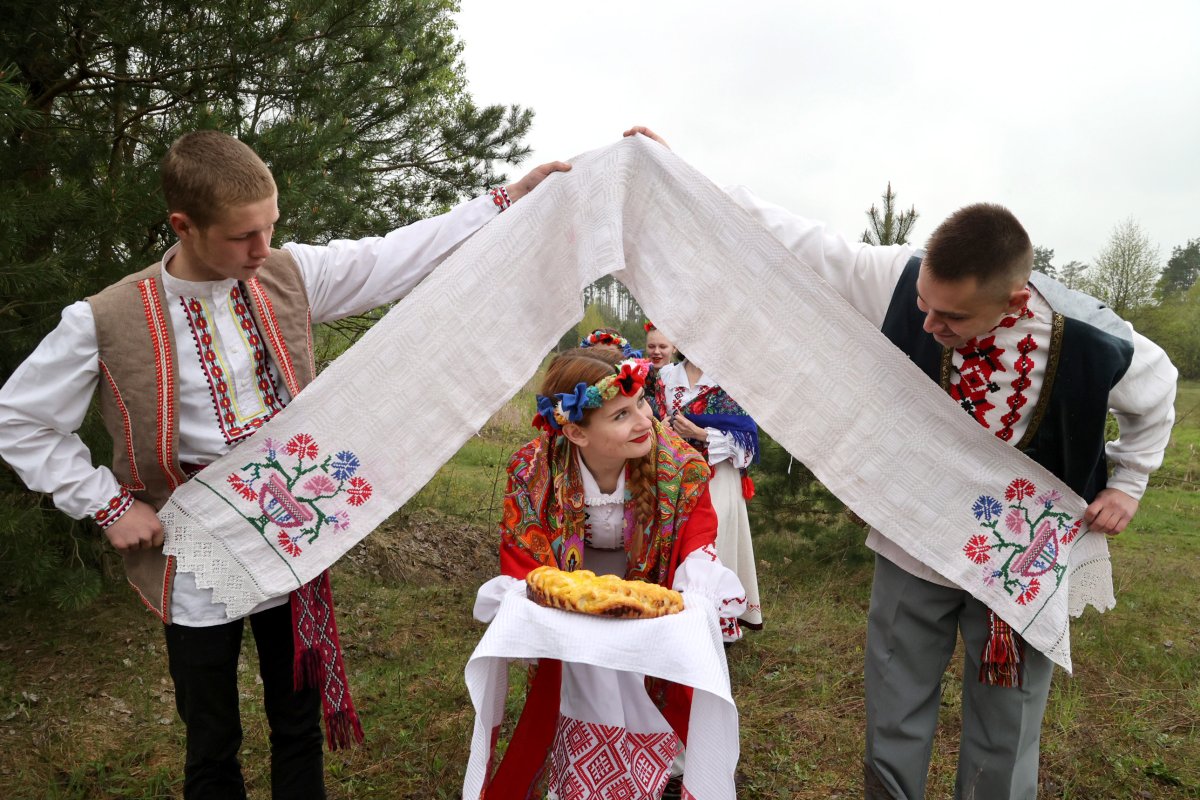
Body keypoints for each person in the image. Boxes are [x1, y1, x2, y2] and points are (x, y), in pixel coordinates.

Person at [0, 129, 569, 799]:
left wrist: (504, 202)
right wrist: (110, 505)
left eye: (271, 227)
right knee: (211, 739)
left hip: (295, 542)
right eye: (245, 235)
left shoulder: (285, 273)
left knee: (296, 724)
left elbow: (394, 256)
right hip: (193, 553)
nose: (263, 249)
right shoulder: (104, 318)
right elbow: (20, 420)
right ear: (184, 225)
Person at [622, 126, 1177, 799]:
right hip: (913, 537)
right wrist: (683, 176)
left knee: (1007, 723)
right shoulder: (900, 276)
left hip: (1019, 560)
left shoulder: (1089, 336)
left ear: (1014, 300)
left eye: (953, 316)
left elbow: (1159, 391)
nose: (930, 321)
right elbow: (797, 238)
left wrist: (1130, 482)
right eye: (925, 306)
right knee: (895, 699)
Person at [490, 347, 746, 800]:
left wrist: (695, 585)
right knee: (576, 684)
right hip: (571, 590)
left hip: (649, 585)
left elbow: (697, 537)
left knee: (654, 684)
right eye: (621, 414)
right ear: (575, 431)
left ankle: (661, 772)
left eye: (643, 403)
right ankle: (583, 777)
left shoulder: (680, 467)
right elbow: (523, 557)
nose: (646, 420)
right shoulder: (532, 471)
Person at [654, 340, 763, 632]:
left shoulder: (729, 379)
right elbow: (649, 422)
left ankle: (715, 623)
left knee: (716, 543)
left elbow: (748, 445)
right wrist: (660, 428)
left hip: (718, 479)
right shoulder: (665, 376)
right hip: (674, 477)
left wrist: (701, 434)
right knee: (677, 542)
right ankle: (678, 620)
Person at [642, 320, 678, 417]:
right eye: (651, 346)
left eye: (663, 347)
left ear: (674, 348)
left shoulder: (685, 377)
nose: (656, 351)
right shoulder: (637, 378)